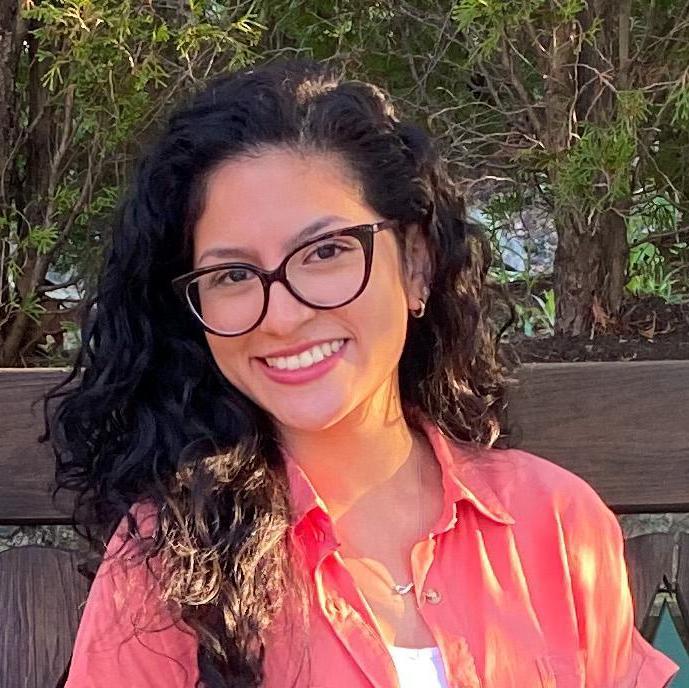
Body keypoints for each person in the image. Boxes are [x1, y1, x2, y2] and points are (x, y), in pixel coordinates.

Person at [49, 58, 679, 688]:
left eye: (326, 251)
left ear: (416, 265)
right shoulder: (166, 565)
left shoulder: (556, 522)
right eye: (233, 275)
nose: (284, 316)